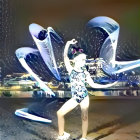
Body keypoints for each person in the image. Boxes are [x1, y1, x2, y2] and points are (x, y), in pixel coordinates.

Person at [57, 39, 117, 140]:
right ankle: (62, 135)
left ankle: (84, 138)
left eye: (84, 60)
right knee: (59, 113)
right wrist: (68, 43)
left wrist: (106, 86)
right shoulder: (70, 69)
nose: (84, 62)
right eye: (82, 60)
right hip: (75, 98)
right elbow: (65, 57)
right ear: (75, 60)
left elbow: (93, 84)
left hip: (84, 97)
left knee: (84, 117)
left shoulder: (85, 73)